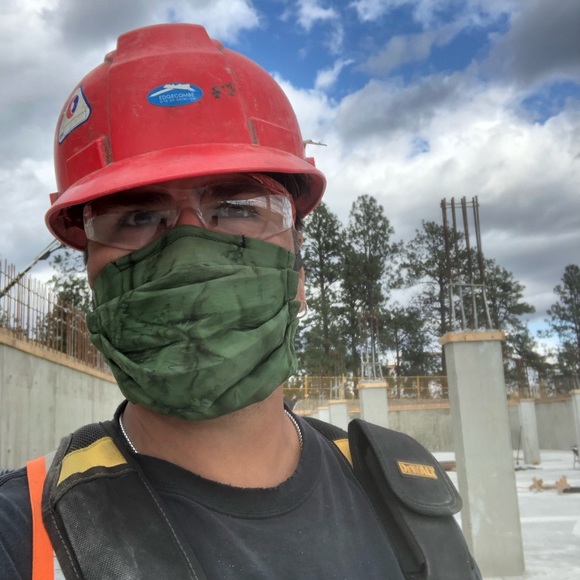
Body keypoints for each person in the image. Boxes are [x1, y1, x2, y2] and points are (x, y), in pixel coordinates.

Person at [0, 23, 480, 579]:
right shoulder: (23, 538)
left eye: (236, 208)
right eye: (136, 217)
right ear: (92, 278)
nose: (188, 253)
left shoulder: (403, 497)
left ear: (298, 279)